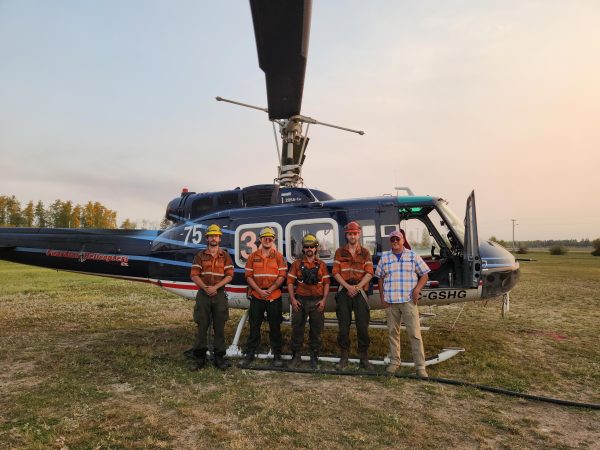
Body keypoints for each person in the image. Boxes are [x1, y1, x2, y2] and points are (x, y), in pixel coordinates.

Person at [375, 230, 430, 378]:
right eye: (392, 240)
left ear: (403, 240)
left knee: (415, 334)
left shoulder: (412, 256)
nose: (395, 242)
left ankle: (420, 367)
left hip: (408, 302)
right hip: (391, 302)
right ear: (390, 242)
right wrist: (382, 297)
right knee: (393, 333)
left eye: (397, 239)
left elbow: (425, 274)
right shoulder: (385, 257)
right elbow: (379, 277)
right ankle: (394, 362)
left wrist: (417, 289)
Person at [238, 227, 288, 368]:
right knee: (254, 326)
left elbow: (282, 276)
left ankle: (277, 356)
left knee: (275, 327)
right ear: (260, 239)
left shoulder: (279, 257)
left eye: (270, 237)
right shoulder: (253, 256)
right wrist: (259, 290)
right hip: (257, 296)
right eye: (265, 237)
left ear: (273, 240)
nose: (267, 239)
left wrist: (270, 290)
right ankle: (250, 354)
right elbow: (248, 276)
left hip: (274, 296)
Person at [189, 224, 234, 370]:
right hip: (203, 293)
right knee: (202, 325)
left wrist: (216, 287)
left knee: (219, 326)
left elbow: (229, 275)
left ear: (220, 238)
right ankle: (200, 357)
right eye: (211, 236)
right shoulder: (200, 256)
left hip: (219, 294)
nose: (213, 238)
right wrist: (206, 288)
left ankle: (219, 357)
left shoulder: (225, 256)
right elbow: (194, 275)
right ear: (207, 238)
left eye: (216, 235)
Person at [332, 221, 374, 370]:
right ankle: (344, 357)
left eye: (355, 233)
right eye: (350, 233)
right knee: (343, 326)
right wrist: (348, 287)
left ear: (359, 234)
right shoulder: (339, 252)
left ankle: (364, 358)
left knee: (363, 326)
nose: (353, 236)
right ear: (346, 235)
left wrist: (357, 287)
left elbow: (369, 273)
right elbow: (335, 272)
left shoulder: (365, 252)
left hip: (360, 291)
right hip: (344, 290)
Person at [287, 234, 331, 369]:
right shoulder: (296, 264)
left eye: (312, 246)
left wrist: (323, 300)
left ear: (316, 248)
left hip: (317, 302)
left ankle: (314, 357)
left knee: (316, 331)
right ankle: (296, 356)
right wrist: (293, 300)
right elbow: (289, 282)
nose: (309, 249)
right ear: (303, 249)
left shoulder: (322, 265)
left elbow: (326, 284)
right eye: (306, 247)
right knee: (297, 330)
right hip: (300, 301)